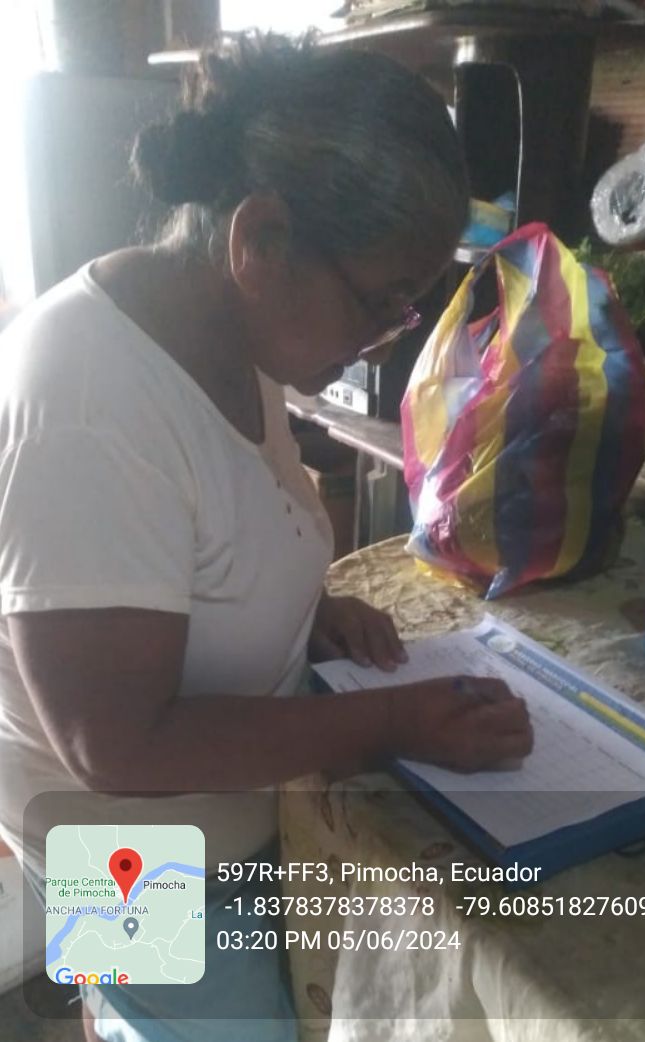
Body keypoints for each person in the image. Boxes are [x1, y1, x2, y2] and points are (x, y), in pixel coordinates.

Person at [0, 31, 533, 1042]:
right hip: (122, 858)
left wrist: (305, 607)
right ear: (263, 239)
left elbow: (213, 527)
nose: (391, 332)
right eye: (383, 301)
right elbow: (114, 745)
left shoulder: (222, 333)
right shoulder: (86, 406)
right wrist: (394, 720)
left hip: (238, 819)